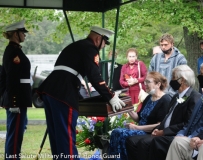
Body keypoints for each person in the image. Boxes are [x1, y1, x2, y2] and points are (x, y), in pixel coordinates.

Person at [37, 26, 126, 159]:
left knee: (56, 134)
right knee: (65, 135)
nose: (103, 47)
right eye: (104, 43)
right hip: (63, 93)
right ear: (98, 39)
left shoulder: (75, 46)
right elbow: (95, 77)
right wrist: (111, 97)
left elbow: (68, 72)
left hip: (50, 90)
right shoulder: (90, 49)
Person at [137, 60, 203, 160]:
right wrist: (181, 134)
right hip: (188, 136)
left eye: (202, 74)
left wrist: (192, 137)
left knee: (160, 142)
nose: (199, 76)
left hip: (201, 139)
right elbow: (191, 122)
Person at [126, 65, 201, 160]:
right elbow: (167, 117)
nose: (171, 80)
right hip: (163, 131)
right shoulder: (175, 96)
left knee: (144, 143)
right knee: (131, 141)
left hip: (176, 134)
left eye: (174, 77)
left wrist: (163, 132)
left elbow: (186, 123)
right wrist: (158, 129)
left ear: (182, 80)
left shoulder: (194, 97)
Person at [108, 71, 172, 160]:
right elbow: (138, 118)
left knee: (119, 133)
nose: (145, 84)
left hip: (151, 133)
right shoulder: (149, 97)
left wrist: (137, 128)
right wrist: (126, 108)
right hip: (140, 130)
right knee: (116, 132)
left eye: (148, 82)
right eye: (144, 82)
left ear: (158, 84)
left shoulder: (165, 100)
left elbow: (160, 125)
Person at [0, 20, 31, 160]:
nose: (24, 34)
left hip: (19, 98)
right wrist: (14, 102)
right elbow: (11, 78)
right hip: (17, 99)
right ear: (15, 34)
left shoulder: (15, 50)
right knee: (15, 134)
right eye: (22, 32)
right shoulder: (13, 52)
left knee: (16, 133)